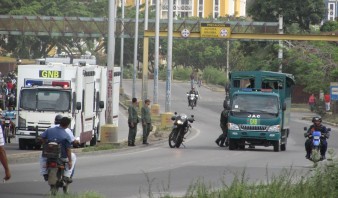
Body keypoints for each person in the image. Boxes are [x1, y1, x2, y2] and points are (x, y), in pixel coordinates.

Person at [39, 115, 77, 181]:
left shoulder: (49, 130)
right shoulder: (67, 134)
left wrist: (46, 143)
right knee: (73, 157)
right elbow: (68, 149)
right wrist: (70, 161)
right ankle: (67, 176)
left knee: (41, 156)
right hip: (62, 157)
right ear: (67, 125)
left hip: (49, 155)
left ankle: (44, 173)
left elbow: (41, 138)